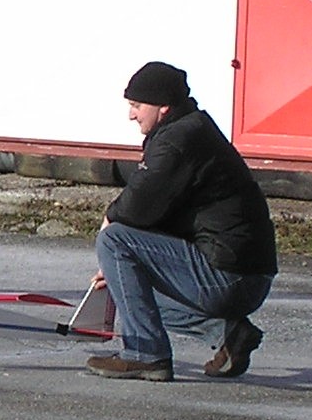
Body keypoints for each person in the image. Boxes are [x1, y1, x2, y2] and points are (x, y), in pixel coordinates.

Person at [88, 60, 278, 381]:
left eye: (136, 106)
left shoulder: (178, 140)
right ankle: (228, 333)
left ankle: (145, 355)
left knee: (114, 239)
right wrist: (117, 271)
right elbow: (159, 213)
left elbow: (135, 206)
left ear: (163, 107)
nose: (131, 115)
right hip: (246, 276)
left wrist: (107, 231)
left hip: (229, 276)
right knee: (129, 290)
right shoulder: (191, 130)